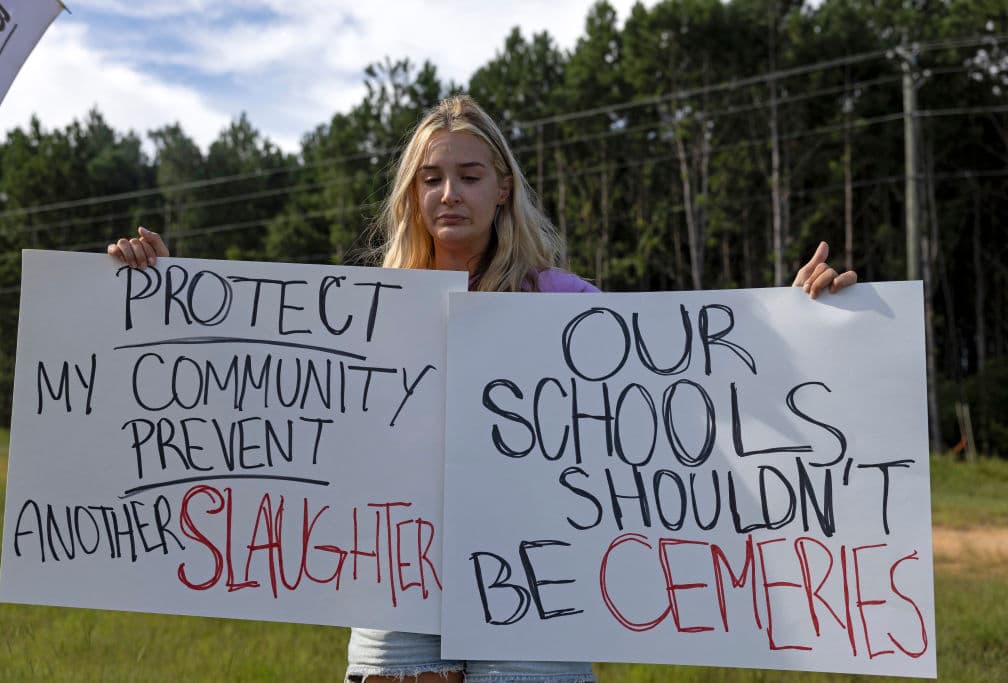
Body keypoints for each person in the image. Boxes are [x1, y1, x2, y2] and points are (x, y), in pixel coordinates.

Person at [108, 95, 856, 683]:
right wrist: (172, 289)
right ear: (411, 194)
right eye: (431, 178)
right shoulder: (363, 310)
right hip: (395, 565)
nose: (449, 194)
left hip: (537, 569)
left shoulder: (563, 299)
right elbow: (258, 386)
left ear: (503, 189)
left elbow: (681, 374)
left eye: (468, 176)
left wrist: (793, 316)